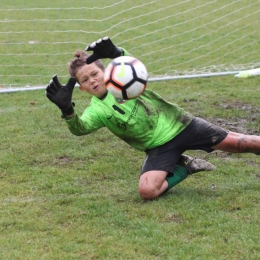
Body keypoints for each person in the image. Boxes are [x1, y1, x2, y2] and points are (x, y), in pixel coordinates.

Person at [46, 37, 260, 200]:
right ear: (81, 89)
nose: (92, 80)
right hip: (158, 147)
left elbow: (132, 64)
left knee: (243, 144)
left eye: (94, 74)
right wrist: (67, 111)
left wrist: (116, 52)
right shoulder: (97, 110)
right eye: (85, 80)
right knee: (147, 191)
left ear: (105, 71)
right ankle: (185, 166)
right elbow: (81, 128)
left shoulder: (125, 77)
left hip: (182, 125)